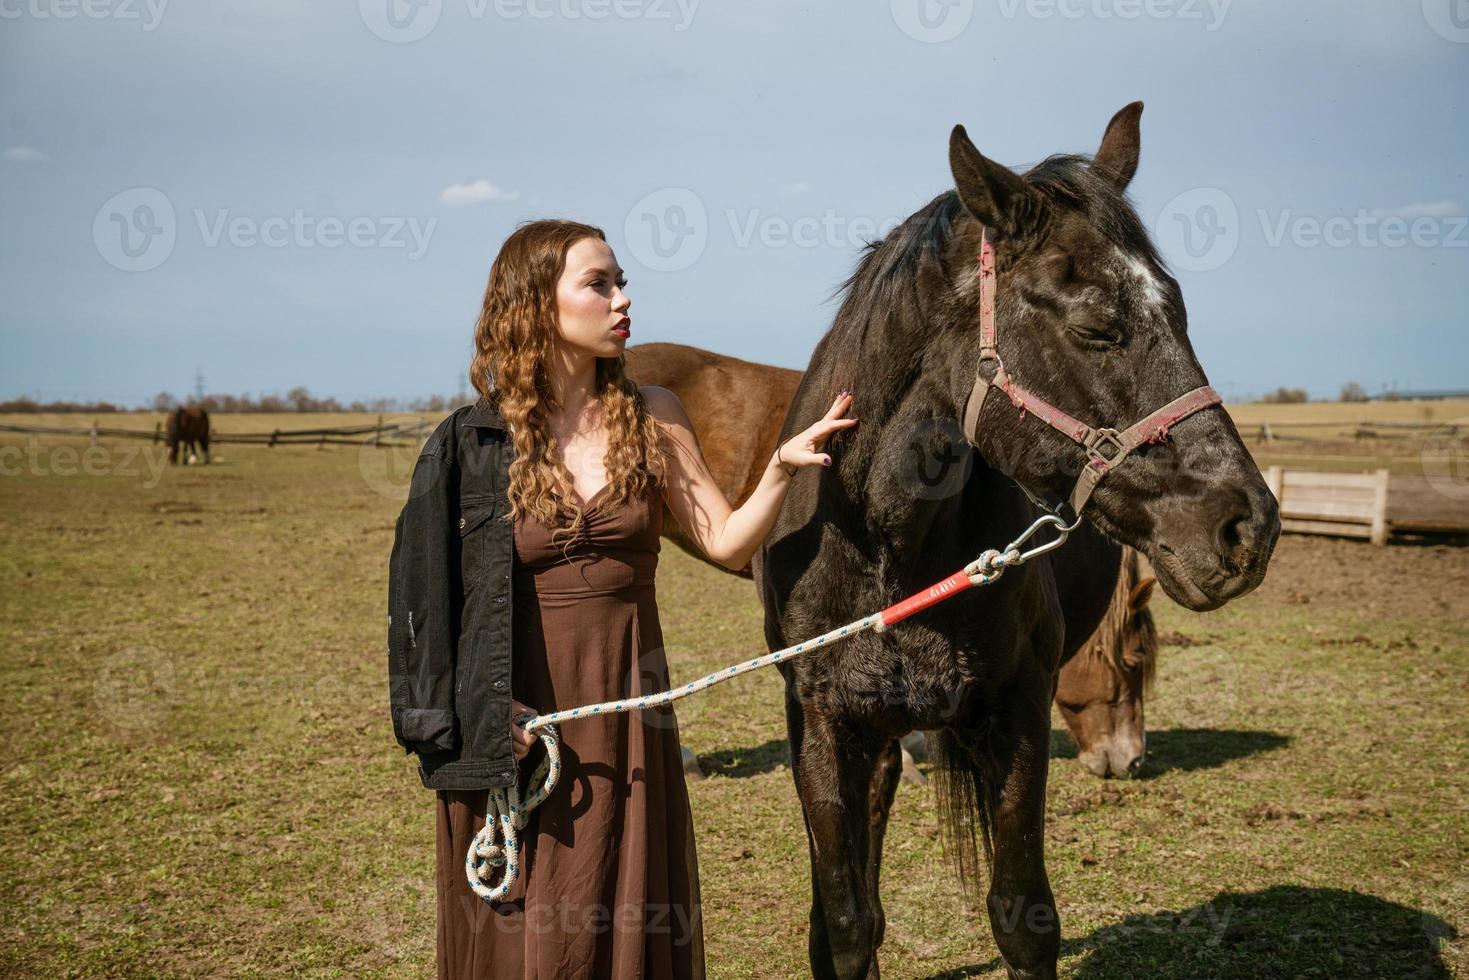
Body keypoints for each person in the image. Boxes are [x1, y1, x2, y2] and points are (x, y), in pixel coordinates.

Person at [408, 218, 855, 979]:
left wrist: (781, 467)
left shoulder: (654, 415)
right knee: (525, 926)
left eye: (622, 282)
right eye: (598, 284)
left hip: (625, 708)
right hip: (518, 717)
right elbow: (426, 610)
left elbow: (723, 542)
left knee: (624, 910)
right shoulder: (472, 443)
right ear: (533, 303)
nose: (622, 300)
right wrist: (484, 716)